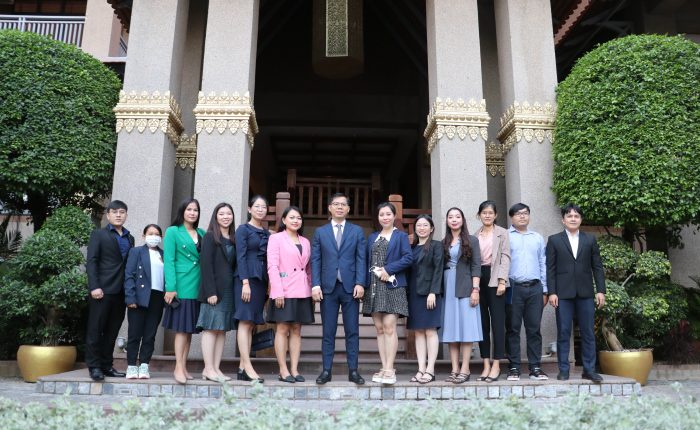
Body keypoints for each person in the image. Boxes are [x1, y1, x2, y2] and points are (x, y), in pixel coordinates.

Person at [311, 192, 367, 385]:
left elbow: (361, 258)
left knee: (352, 331)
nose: (340, 207)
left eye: (343, 204)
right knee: (328, 332)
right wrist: (315, 284)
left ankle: (353, 371)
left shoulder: (357, 231)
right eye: (336, 204)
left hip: (351, 287)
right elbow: (316, 260)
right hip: (328, 288)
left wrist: (360, 282)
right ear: (330, 208)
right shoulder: (320, 232)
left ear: (348, 209)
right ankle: (326, 371)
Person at [547, 203, 606, 382]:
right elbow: (550, 269)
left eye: (576, 216)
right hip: (562, 294)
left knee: (588, 332)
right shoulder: (554, 240)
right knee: (564, 332)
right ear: (563, 220)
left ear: (581, 219)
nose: (573, 219)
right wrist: (552, 292)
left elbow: (597, 266)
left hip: (585, 293)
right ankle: (564, 370)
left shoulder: (590, 240)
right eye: (569, 216)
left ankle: (589, 370)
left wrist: (600, 290)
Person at [363, 202, 413, 385]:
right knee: (379, 329)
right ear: (378, 217)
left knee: (389, 326)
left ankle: (390, 369)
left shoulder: (401, 236)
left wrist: (388, 269)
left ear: (394, 216)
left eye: (388, 214)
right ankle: (384, 367)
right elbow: (367, 261)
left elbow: (408, 258)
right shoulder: (372, 237)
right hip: (374, 286)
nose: (385, 217)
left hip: (393, 285)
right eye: (381, 214)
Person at [85, 200, 134, 381]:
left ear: (126, 215)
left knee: (112, 331)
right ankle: (94, 366)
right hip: (102, 290)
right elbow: (92, 261)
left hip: (121, 292)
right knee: (96, 329)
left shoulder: (129, 238)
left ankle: (106, 365)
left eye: (122, 212)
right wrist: (94, 286)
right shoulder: (99, 234)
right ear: (108, 215)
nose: (118, 215)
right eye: (114, 212)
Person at [266, 206, 315, 383]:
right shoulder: (276, 238)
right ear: (284, 220)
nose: (296, 221)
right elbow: (272, 266)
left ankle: (294, 369)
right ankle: (283, 369)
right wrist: (277, 291)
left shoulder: (306, 241)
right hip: (284, 290)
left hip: (302, 290)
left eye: (299, 218)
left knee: (296, 330)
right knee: (282, 329)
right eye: (292, 217)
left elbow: (308, 268)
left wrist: (311, 287)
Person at [162, 198, 205, 384]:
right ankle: (178, 367)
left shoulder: (202, 232)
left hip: (198, 285)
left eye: (195, 210)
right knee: (181, 329)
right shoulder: (173, 231)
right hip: (181, 284)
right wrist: (170, 287)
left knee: (189, 330)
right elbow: (169, 260)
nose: (192, 213)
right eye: (189, 209)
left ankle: (184, 366)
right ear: (182, 211)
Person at [506, 203, 549, 382]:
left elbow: (543, 263)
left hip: (535, 288)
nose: (522, 216)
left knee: (534, 329)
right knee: (513, 329)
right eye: (518, 214)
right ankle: (514, 367)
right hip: (513, 288)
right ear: (512, 217)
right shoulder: (505, 236)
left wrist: (545, 289)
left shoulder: (537, 238)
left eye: (525, 213)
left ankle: (535, 367)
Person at [196, 203, 237, 382]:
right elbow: (206, 265)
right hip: (214, 290)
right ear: (215, 216)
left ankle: (216, 368)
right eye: (221, 214)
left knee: (222, 329)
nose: (226, 217)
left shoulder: (233, 238)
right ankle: (208, 368)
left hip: (229, 290)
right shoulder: (210, 236)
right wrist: (210, 292)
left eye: (229, 214)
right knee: (211, 328)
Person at [441, 207, 482, 384]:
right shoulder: (443, 242)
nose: (454, 219)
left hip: (465, 286)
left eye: (457, 216)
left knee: (466, 328)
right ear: (447, 221)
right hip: (447, 286)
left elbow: (476, 266)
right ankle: (454, 368)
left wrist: (475, 289)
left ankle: (465, 368)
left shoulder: (472, 240)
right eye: (450, 217)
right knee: (451, 328)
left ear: (463, 220)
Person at [234, 195, 271, 383]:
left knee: (251, 324)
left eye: (263, 207)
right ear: (249, 209)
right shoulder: (243, 230)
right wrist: (245, 283)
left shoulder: (267, 233)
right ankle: (248, 367)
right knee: (245, 321)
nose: (260, 210)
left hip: (261, 280)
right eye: (257, 206)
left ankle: (242, 367)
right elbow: (240, 257)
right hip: (246, 280)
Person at [475, 201, 511, 383]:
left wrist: (502, 281)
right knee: (482, 324)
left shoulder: (502, 233)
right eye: (484, 212)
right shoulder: (475, 235)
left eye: (490, 212)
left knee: (497, 323)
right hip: (478, 279)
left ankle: (496, 363)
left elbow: (505, 257)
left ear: (495, 215)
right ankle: (485, 364)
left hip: (496, 278)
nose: (487, 215)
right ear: (479, 215)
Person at [124, 224, 164, 380]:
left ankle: (144, 365)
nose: (153, 236)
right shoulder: (136, 251)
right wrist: (130, 297)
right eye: (150, 233)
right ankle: (131, 366)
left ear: (161, 237)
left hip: (157, 297)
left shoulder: (164, 254)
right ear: (143, 236)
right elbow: (129, 275)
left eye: (157, 234)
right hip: (139, 296)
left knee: (150, 334)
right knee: (134, 334)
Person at [406, 214, 443, 384]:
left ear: (431, 228)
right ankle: (421, 369)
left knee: (430, 330)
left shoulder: (436, 246)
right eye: (419, 225)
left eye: (425, 225)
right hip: (414, 294)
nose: (422, 228)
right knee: (418, 331)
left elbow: (438, 269)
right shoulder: (411, 247)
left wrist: (433, 292)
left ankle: (430, 370)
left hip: (429, 294)